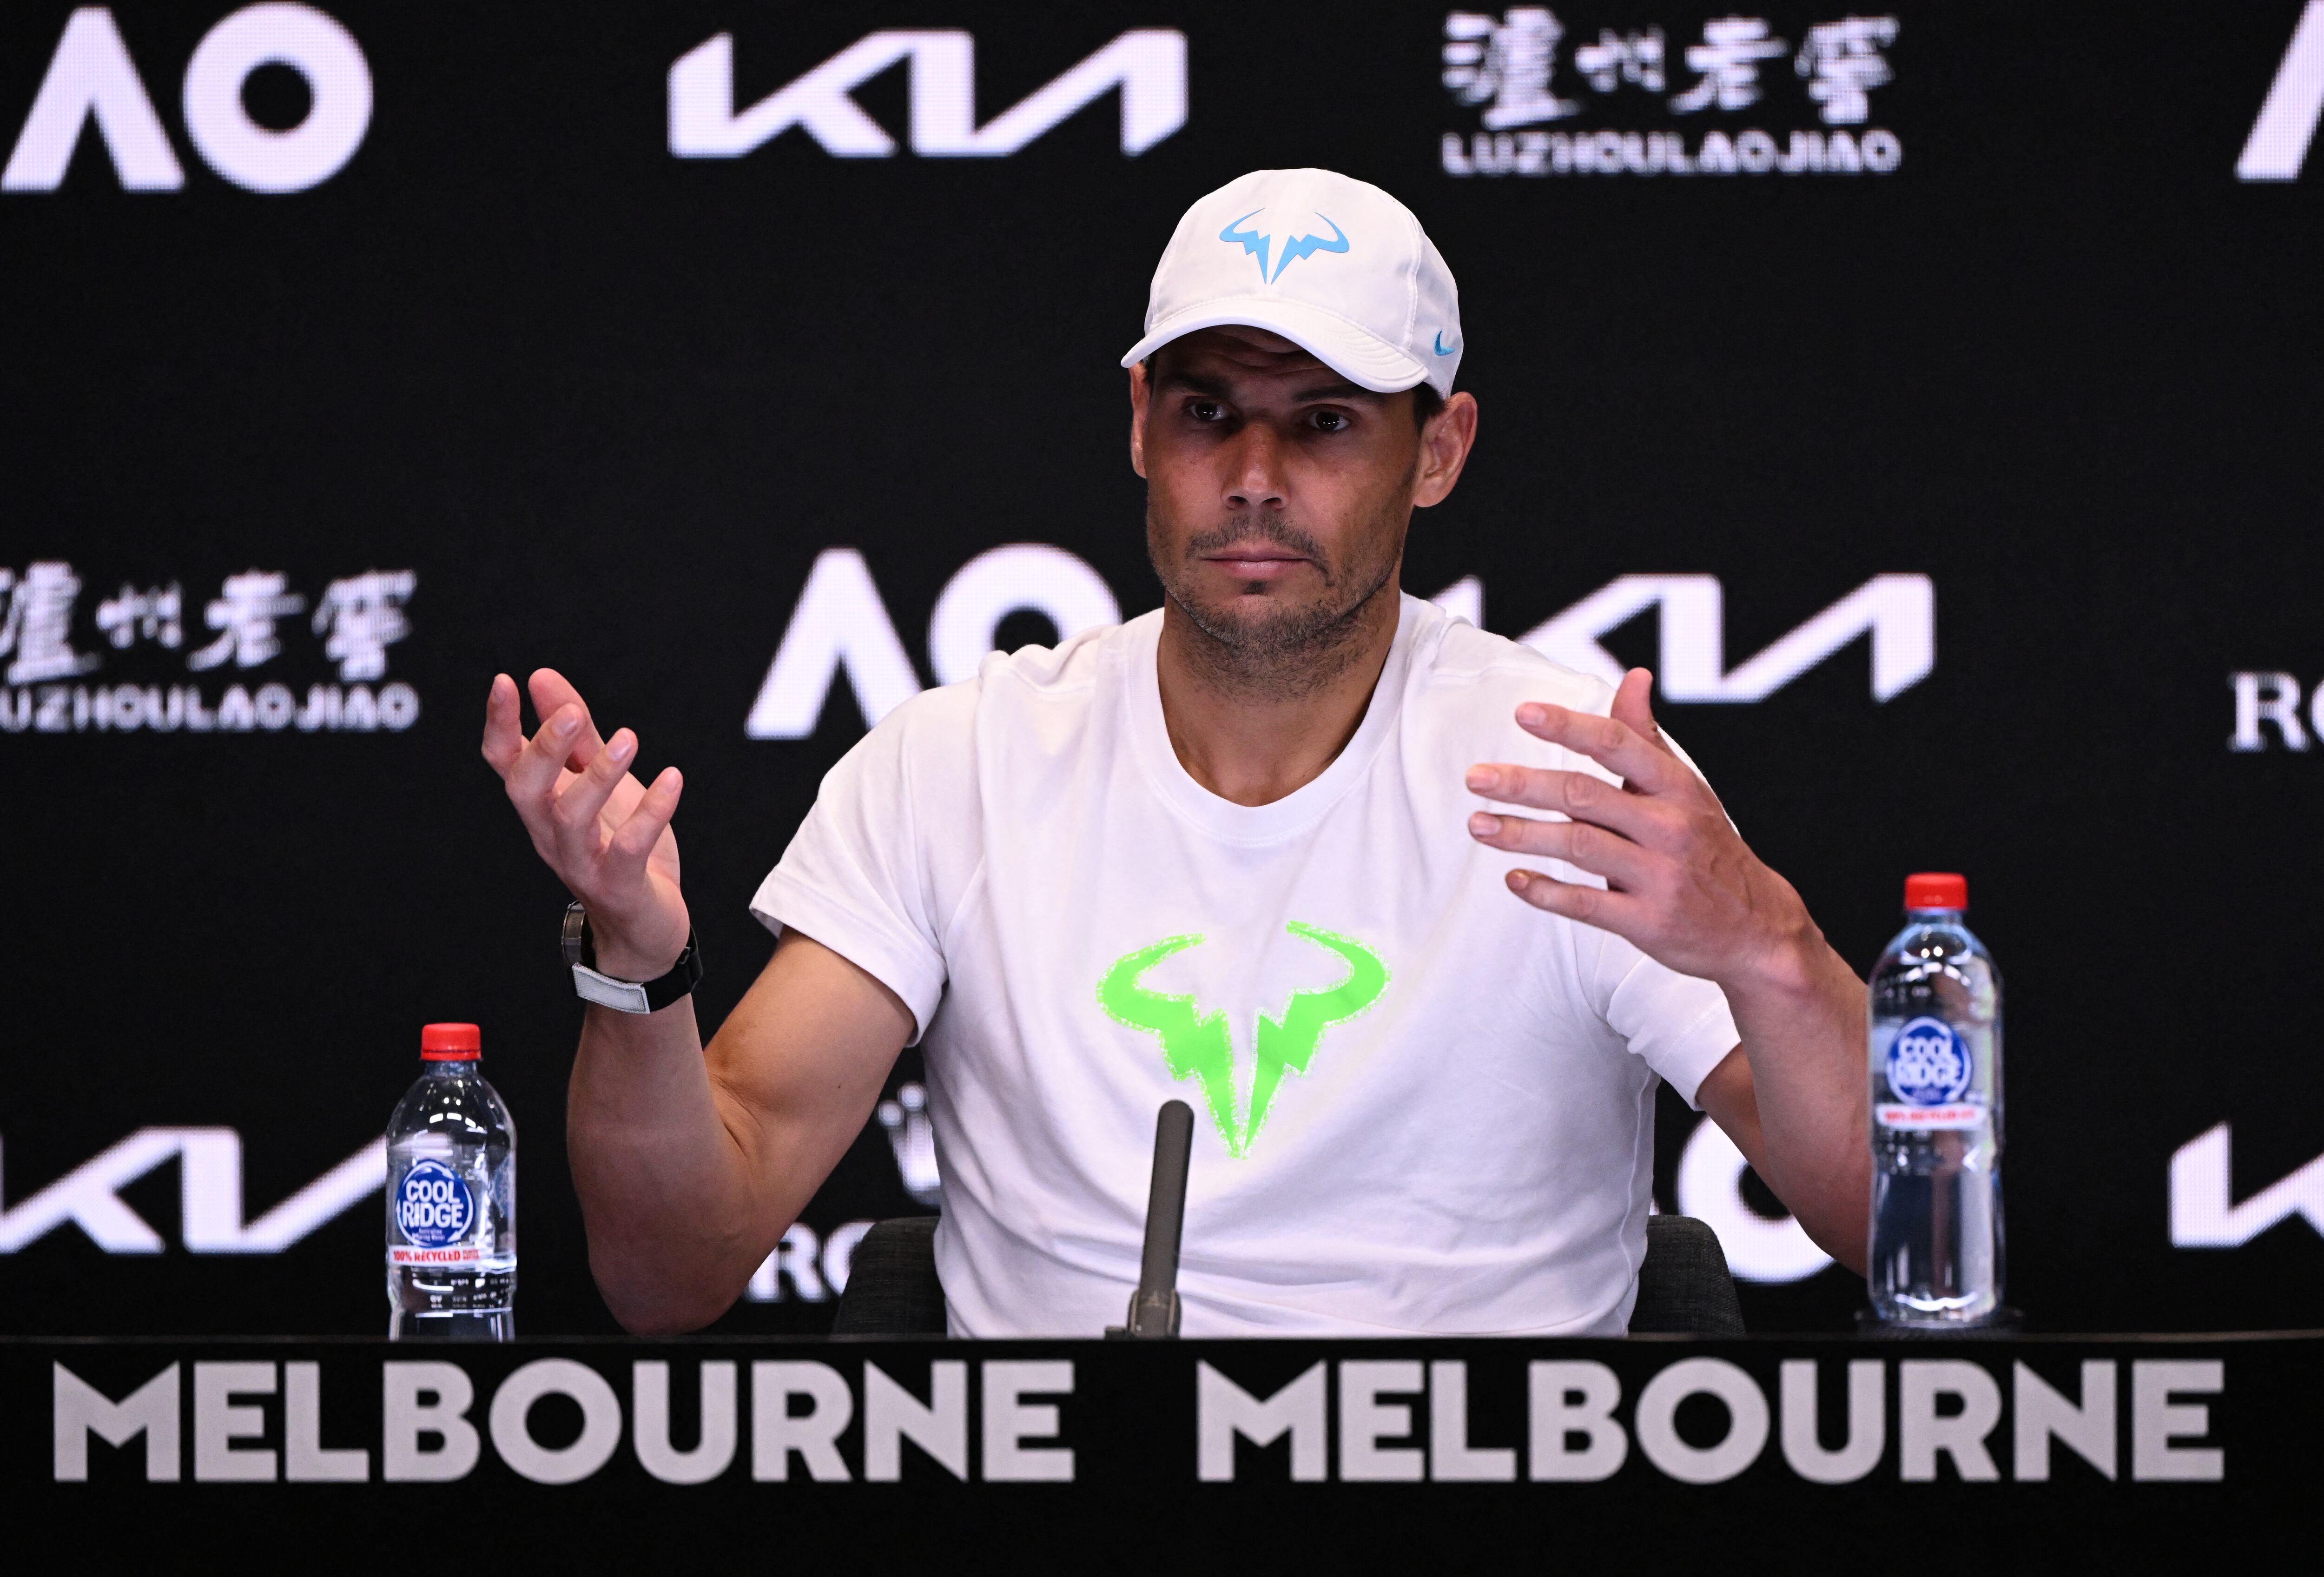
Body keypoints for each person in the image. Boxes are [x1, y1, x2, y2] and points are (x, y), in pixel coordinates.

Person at [481, 168, 1869, 1337]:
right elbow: (672, 1271)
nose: (1257, 474)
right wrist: (636, 967)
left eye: (1325, 421)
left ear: (1437, 450)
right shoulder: (962, 762)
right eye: (1209, 411)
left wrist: (1768, 947)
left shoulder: (1568, 776)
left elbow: (1888, 1222)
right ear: (1142, 423)